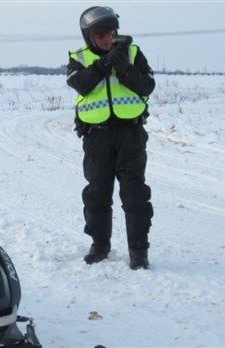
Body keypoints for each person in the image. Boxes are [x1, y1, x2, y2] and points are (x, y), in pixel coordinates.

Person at [66, 6, 155, 269]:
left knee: (135, 194)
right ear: (88, 37)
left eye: (111, 33)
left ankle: (139, 251)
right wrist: (105, 64)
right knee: (97, 193)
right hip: (97, 137)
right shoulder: (78, 58)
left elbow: (147, 86)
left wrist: (125, 69)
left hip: (131, 134)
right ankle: (100, 245)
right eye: (100, 35)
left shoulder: (134, 53)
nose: (107, 39)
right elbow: (80, 84)